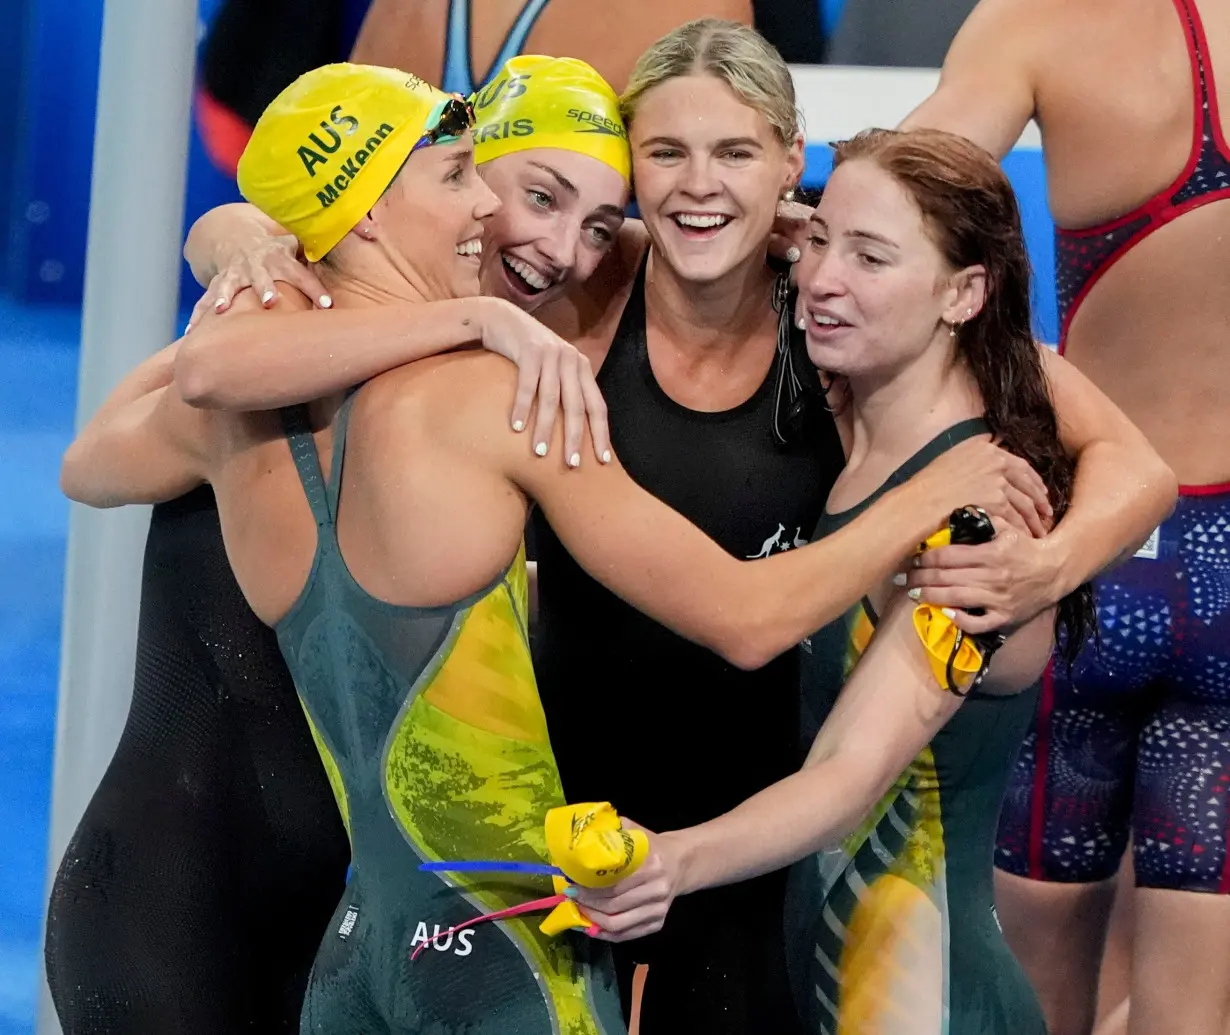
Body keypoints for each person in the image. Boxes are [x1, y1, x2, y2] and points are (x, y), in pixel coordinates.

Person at [174, 20, 1175, 1033]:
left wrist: (1043, 565)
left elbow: (1132, 462)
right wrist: (241, 236)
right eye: (666, 153)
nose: (701, 184)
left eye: (736, 153)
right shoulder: (582, 292)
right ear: (635, 173)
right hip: (579, 846)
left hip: (745, 863)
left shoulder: (850, 324)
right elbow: (188, 386)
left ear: (791, 167)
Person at [43, 58, 630, 1035]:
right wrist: (236, 235)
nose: (547, 239)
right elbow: (104, 453)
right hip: (187, 890)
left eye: (597, 225)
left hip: (359, 921)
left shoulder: (511, 366)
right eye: (514, 187)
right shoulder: (276, 329)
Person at [570, 125, 1106, 1035]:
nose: (820, 279)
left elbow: (852, 776)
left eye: (870, 255)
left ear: (964, 293)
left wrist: (673, 860)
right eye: (818, 237)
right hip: (822, 987)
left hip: (926, 1004)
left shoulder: (981, 525)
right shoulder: (848, 429)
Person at [903, 2, 1230, 1031]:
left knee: (1027, 1000)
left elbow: (900, 210)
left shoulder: (1047, 20)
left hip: (1092, 550)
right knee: (1195, 1006)